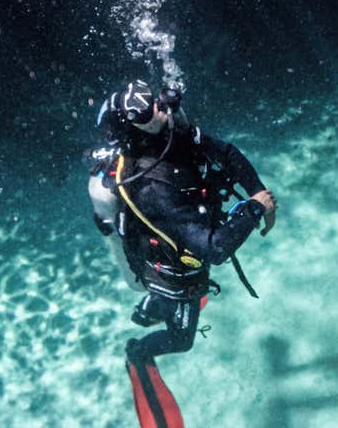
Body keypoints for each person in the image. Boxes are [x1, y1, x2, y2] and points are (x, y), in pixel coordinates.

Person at [88, 80, 277, 427]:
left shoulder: (171, 133)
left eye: (154, 97)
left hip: (173, 253)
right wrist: (253, 209)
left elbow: (226, 153)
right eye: (146, 109)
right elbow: (215, 248)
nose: (160, 107)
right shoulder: (151, 187)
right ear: (133, 124)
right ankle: (139, 351)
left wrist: (257, 191)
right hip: (172, 275)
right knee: (182, 339)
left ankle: (147, 309)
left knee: (172, 297)